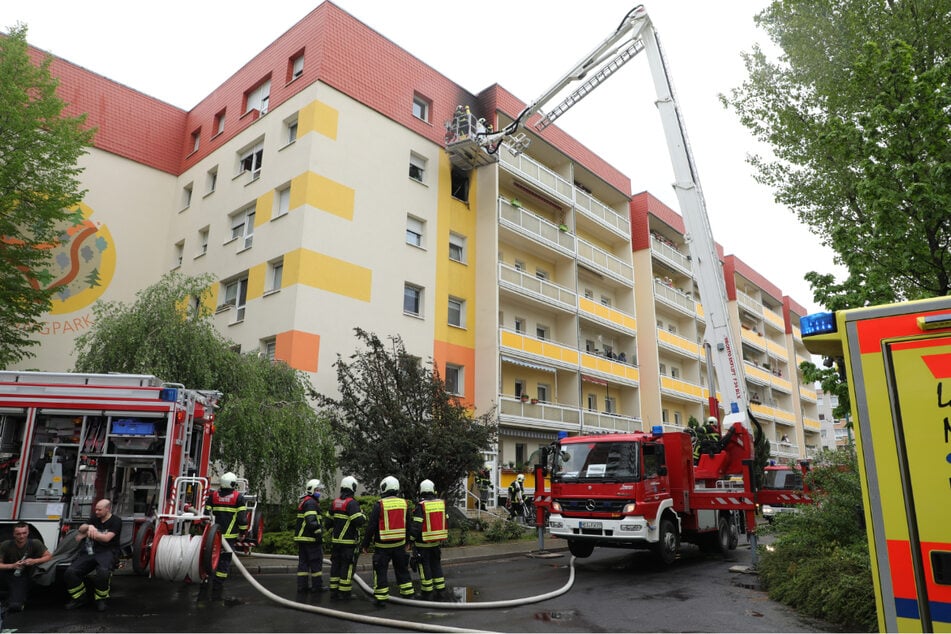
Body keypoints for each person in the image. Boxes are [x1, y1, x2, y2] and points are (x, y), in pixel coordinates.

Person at [360, 476, 414, 606]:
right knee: (402, 570)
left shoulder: (379, 504)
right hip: (400, 545)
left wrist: (365, 544)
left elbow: (371, 526)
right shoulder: (404, 503)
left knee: (380, 571)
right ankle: (407, 594)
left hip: (382, 546)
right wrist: (408, 542)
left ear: (384, 487)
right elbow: (408, 525)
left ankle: (381, 598)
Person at [64, 499, 121, 612]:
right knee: (70, 572)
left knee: (103, 572)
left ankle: (100, 600)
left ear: (107, 509)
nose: (96, 512)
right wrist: (89, 527)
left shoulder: (116, 521)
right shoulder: (95, 518)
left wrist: (90, 534)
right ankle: (79, 599)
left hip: (107, 551)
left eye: (99, 510)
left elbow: (106, 538)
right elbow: (81, 528)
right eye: (96, 509)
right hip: (91, 551)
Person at [200, 472, 248, 601]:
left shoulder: (213, 496)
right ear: (233, 484)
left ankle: (206, 579)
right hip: (229, 536)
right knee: (224, 561)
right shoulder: (238, 498)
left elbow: (206, 514)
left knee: (209, 556)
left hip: (213, 536)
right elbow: (242, 519)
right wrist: (243, 533)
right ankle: (218, 585)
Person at [0, 522, 52, 612]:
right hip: (10, 574)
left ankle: (18, 596)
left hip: (27, 575)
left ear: (28, 532)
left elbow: (49, 556)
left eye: (24, 533)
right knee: (13, 603)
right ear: (13, 534)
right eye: (18, 534)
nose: (22, 536)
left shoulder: (35, 543)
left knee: (15, 606)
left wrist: (34, 561)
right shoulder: (5, 545)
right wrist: (13, 565)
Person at [409, 479, 448, 600]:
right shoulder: (441, 504)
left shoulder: (421, 506)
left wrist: (410, 540)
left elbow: (417, 526)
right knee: (436, 565)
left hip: (423, 544)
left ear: (421, 491)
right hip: (436, 543)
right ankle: (440, 589)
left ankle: (427, 593)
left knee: (424, 567)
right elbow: (446, 521)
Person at [328, 476, 365, 601]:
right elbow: (358, 521)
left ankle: (334, 591)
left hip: (336, 542)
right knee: (347, 567)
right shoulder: (352, 503)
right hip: (348, 543)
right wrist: (363, 515)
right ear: (353, 487)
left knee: (335, 566)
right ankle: (345, 593)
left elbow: (327, 522)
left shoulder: (335, 502)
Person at [294, 478, 326, 594]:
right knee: (316, 562)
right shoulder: (311, 503)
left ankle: (302, 587)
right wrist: (319, 536)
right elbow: (312, 521)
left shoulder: (305, 501)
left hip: (303, 539)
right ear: (312, 490)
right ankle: (317, 586)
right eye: (318, 490)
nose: (319, 492)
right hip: (311, 539)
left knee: (304, 564)